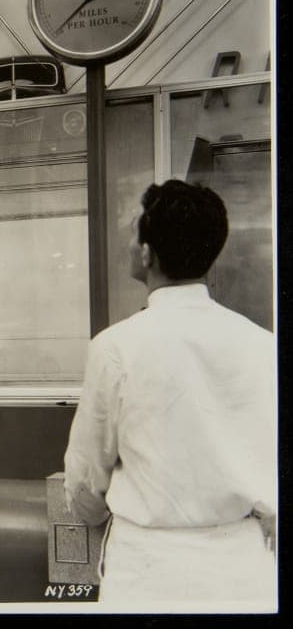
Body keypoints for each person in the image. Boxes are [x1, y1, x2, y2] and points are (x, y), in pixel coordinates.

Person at [63, 180, 276, 608]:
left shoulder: (115, 347)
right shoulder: (263, 344)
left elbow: (86, 482)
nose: (128, 242)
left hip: (147, 575)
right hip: (244, 574)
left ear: (147, 254)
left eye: (133, 232)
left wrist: (95, 515)